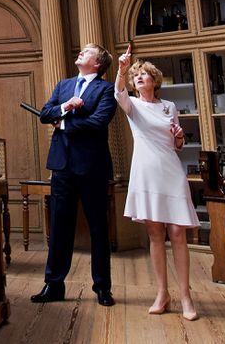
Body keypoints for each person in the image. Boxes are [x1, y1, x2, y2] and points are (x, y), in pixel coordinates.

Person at [114, 48, 201, 320]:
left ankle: (185, 296)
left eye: (143, 74)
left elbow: (178, 145)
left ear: (154, 80)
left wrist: (178, 135)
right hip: (146, 171)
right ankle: (162, 293)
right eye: (135, 76)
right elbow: (118, 93)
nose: (139, 77)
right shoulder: (132, 105)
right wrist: (121, 67)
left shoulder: (169, 107)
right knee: (155, 234)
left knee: (177, 232)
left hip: (171, 170)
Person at [31, 43, 118, 306]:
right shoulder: (64, 85)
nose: (80, 52)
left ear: (98, 63)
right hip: (62, 166)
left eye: (87, 51)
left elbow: (98, 122)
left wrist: (65, 123)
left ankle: (102, 287)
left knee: (98, 228)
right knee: (59, 227)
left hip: (92, 166)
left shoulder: (106, 89)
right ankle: (53, 285)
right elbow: (46, 114)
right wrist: (65, 107)